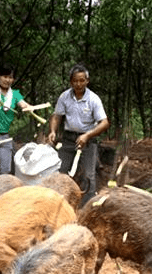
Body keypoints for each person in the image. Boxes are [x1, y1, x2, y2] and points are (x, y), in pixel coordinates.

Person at [48, 64, 110, 205]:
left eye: (82, 80)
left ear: (87, 81)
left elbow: (104, 122)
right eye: (75, 81)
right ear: (71, 81)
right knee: (60, 171)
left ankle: (87, 206)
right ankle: (58, 203)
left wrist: (87, 135)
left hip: (88, 140)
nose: (78, 84)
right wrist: (53, 131)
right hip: (68, 138)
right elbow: (56, 116)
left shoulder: (93, 99)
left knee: (89, 175)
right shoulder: (64, 97)